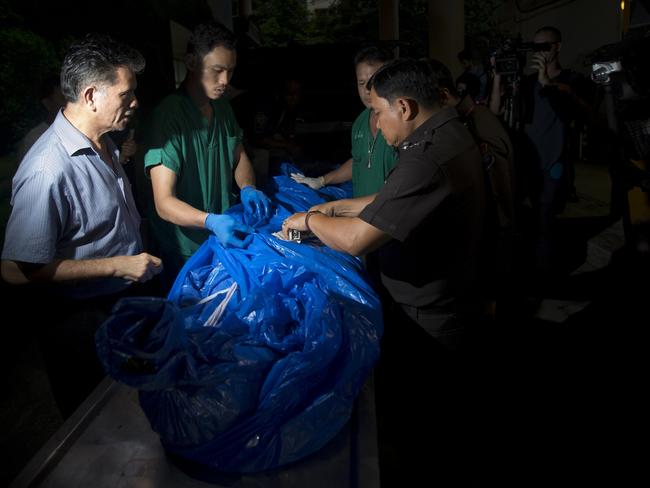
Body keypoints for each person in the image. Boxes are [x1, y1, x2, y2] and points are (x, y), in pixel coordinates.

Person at [282, 58, 486, 485]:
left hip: (429, 314)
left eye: (377, 111)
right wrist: (334, 205)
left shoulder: (427, 156)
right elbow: (395, 200)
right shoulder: (443, 136)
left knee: (423, 420)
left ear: (405, 107)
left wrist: (310, 222)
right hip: (441, 297)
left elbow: (357, 238)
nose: (373, 121)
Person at [1, 34, 162, 417]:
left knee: (136, 407)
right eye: (126, 94)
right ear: (91, 96)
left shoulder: (103, 142)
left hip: (120, 302)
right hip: (79, 321)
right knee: (99, 423)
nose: (135, 102)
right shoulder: (47, 168)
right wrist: (116, 265)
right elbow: (13, 270)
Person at [144, 22, 272, 289]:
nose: (226, 81)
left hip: (222, 241)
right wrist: (209, 221)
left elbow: (239, 157)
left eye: (230, 71)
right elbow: (164, 203)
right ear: (191, 62)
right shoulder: (169, 117)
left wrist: (248, 187)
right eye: (217, 70)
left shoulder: (222, 109)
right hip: (186, 251)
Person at [429, 58, 516, 317]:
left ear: (443, 96)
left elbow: (500, 185)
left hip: (492, 231)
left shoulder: (479, 120)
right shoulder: (463, 120)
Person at [520, 26, 593, 277]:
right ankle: (532, 266)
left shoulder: (572, 80)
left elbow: (580, 114)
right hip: (528, 160)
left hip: (554, 160)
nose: (540, 52)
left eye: (545, 46)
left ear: (558, 46)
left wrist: (548, 84)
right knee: (528, 217)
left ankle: (545, 272)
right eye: (536, 47)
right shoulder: (528, 83)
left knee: (546, 215)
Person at [290, 45, 397, 198]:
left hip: (392, 215)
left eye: (374, 80)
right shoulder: (360, 123)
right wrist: (321, 180)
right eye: (361, 82)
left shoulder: (402, 123)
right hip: (363, 216)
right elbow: (358, 162)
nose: (367, 89)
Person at [17, 75, 67, 161]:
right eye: (63, 98)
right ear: (47, 103)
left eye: (70, 98)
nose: (68, 103)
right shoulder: (34, 139)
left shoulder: (80, 132)